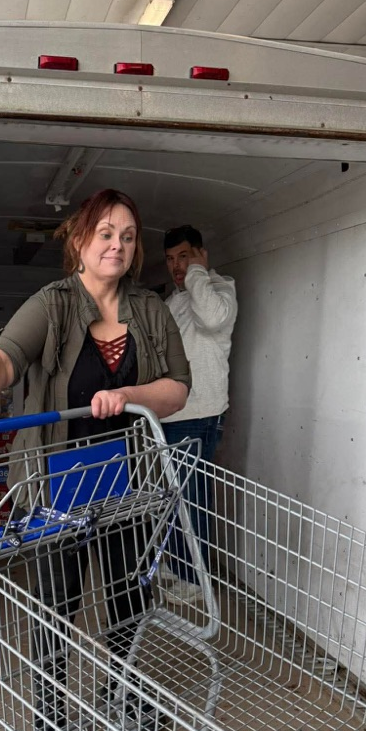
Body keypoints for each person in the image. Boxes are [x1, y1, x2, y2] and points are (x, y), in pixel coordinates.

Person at [0, 189, 190, 731]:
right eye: (106, 233)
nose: (117, 245)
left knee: (127, 597)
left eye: (128, 237)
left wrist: (129, 394)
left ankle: (127, 696)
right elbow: (3, 358)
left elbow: (178, 388)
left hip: (125, 480)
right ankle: (52, 719)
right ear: (81, 242)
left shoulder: (151, 310)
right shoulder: (54, 302)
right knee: (54, 603)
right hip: (56, 481)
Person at [160, 225, 238, 594]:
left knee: (192, 498)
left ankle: (196, 579)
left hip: (200, 414)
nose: (178, 266)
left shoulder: (220, 289)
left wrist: (197, 272)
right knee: (173, 497)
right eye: (172, 260)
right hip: (170, 413)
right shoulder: (175, 300)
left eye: (184, 256)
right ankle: (178, 567)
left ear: (201, 255)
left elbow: (212, 318)